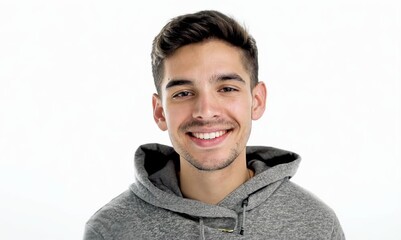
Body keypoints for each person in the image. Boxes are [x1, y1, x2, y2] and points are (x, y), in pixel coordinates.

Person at [84, 10, 345, 239]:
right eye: (183, 93)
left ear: (256, 101)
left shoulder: (316, 226)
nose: (205, 111)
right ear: (160, 112)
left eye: (227, 88)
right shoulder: (110, 230)